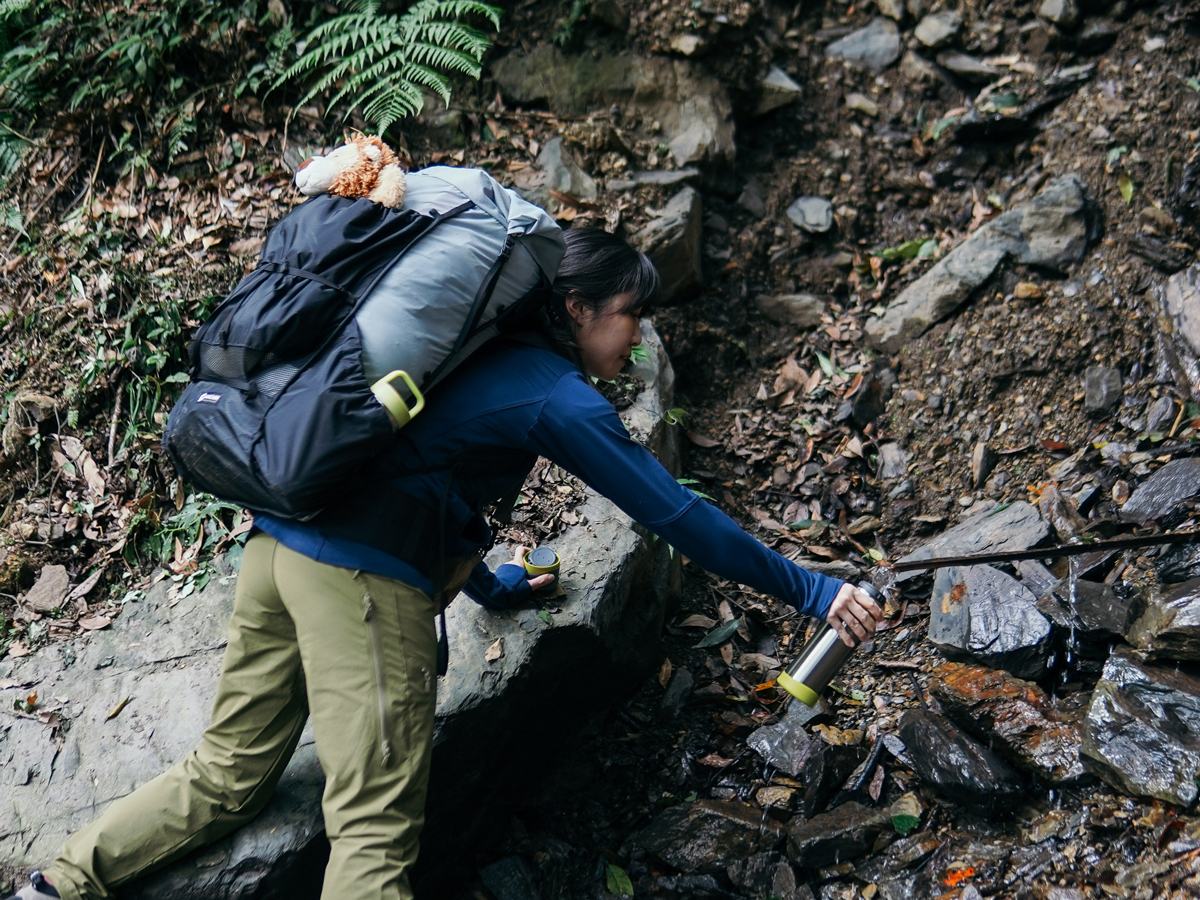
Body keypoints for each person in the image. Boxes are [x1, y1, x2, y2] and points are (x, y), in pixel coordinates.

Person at [7, 228, 882, 900]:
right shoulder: (555, 393)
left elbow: (427, 474)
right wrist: (814, 587)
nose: (639, 338)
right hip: (357, 580)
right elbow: (674, 514)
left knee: (227, 774)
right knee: (374, 837)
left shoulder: (474, 353)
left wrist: (495, 584)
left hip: (280, 553)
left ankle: (56, 887)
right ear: (577, 308)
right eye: (631, 315)